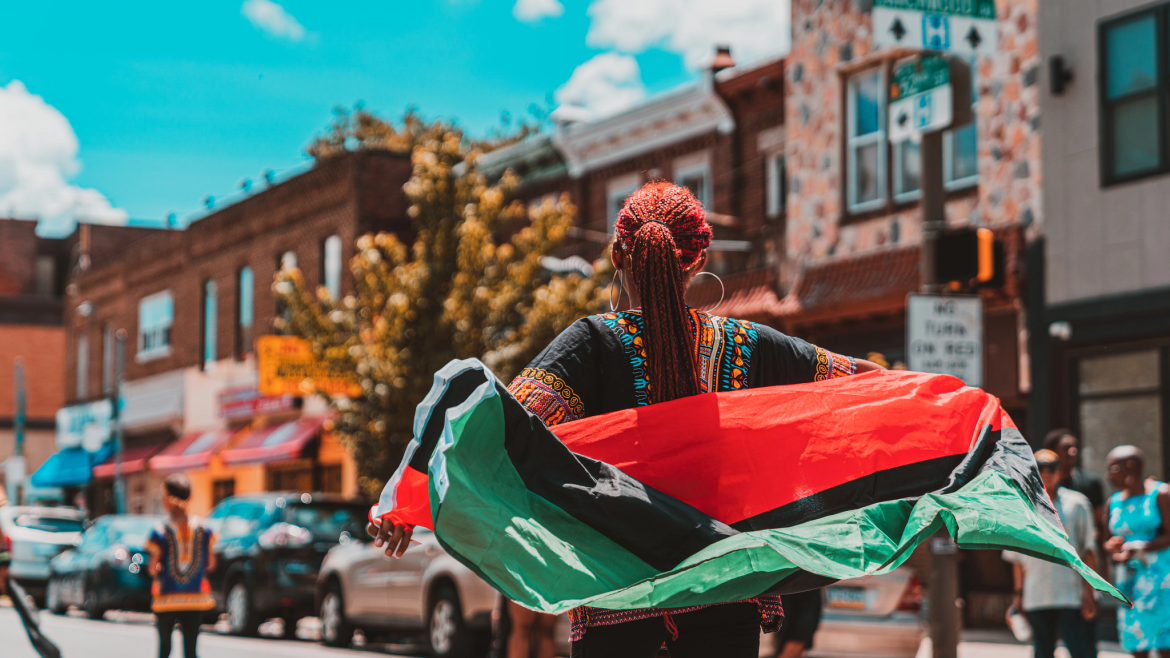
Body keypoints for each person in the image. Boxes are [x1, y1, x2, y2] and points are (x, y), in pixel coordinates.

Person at [371, 181, 882, 657]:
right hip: (724, 587)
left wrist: (406, 501)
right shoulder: (752, 347)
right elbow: (865, 382)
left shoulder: (591, 344)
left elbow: (504, 424)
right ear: (699, 258)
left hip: (616, 593)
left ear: (618, 256)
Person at [1002, 449, 1098, 658]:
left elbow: (1088, 549)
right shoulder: (1021, 506)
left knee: (1081, 650)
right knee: (1042, 652)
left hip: (1072, 593)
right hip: (1036, 594)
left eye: (1051, 468)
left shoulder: (1078, 503)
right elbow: (1017, 559)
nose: (1045, 473)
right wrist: (1018, 597)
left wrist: (1090, 592)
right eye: (1040, 468)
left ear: (1060, 472)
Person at [1102, 445, 1170, 657]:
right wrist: (1113, 548)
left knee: (1164, 644)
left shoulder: (1160, 494)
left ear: (1130, 466)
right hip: (1130, 582)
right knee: (1136, 644)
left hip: (1160, 581)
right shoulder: (1113, 501)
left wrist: (1142, 545)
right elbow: (1107, 542)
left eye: (1112, 468)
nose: (1108, 475)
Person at [146, 473, 216, 658]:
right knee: (191, 650)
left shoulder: (159, 531)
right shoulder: (204, 528)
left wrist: (159, 569)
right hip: (196, 598)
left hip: (166, 598)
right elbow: (210, 563)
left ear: (167, 499)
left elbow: (153, 568)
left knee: (165, 649)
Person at [1044, 430, 1106, 530]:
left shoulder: (1091, 482)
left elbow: (1099, 523)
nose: (1073, 452)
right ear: (1052, 452)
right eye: (1066, 448)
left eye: (1075, 447)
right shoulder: (1043, 485)